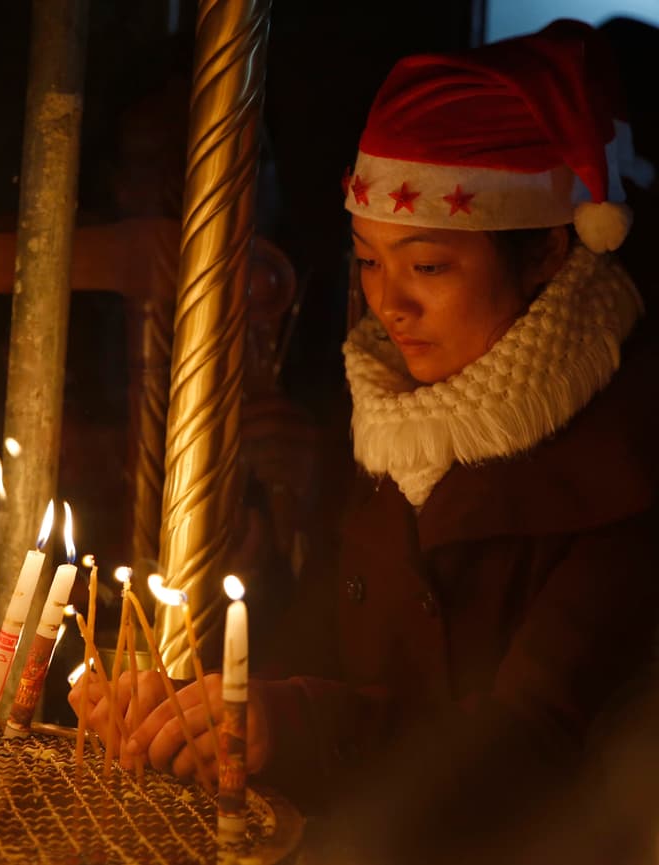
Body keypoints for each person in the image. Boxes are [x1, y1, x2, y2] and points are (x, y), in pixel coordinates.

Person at [70, 20, 659, 864]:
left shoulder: (621, 460)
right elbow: (319, 649)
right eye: (370, 263)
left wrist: (292, 722)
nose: (391, 304)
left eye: (428, 266)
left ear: (547, 253)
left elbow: (533, 740)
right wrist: (211, 712)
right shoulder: (389, 414)